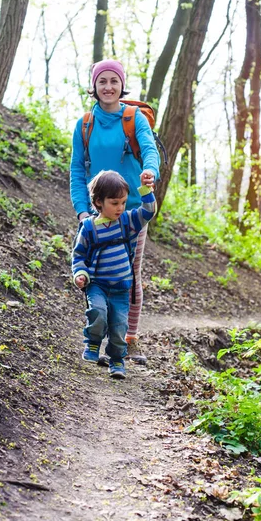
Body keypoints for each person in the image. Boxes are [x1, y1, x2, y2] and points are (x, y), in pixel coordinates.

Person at [70, 58, 160, 364]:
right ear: (94, 87)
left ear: (122, 85)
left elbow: (149, 150)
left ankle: (127, 337)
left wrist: (149, 172)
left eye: (114, 81)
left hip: (132, 212)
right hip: (96, 215)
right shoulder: (84, 125)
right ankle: (96, 338)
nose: (108, 87)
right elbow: (77, 172)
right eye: (102, 81)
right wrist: (83, 212)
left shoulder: (135, 119)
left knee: (129, 272)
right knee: (93, 272)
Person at [72, 170, 156, 379]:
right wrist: (80, 273)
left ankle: (117, 359)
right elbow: (79, 255)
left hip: (121, 287)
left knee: (119, 328)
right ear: (99, 202)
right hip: (98, 284)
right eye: (114, 203)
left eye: (123, 202)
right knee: (98, 312)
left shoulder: (127, 222)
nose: (120, 208)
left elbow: (148, 212)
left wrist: (146, 189)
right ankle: (92, 342)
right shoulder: (89, 228)